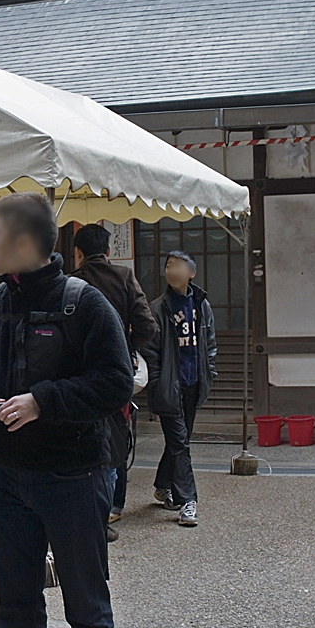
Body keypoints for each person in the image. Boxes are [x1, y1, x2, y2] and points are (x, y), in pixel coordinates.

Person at [0, 191, 134, 628]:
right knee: (16, 607)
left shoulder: (84, 303)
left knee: (87, 609)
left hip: (73, 475)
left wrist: (42, 401)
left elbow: (116, 381)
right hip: (8, 475)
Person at [69, 223, 154, 531]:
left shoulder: (71, 283)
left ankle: (86, 506)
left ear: (78, 253)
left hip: (79, 375)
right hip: (118, 374)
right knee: (118, 437)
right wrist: (125, 347)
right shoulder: (124, 277)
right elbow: (147, 327)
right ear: (107, 251)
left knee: (82, 437)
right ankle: (114, 505)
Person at [150, 251, 209, 526]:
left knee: (179, 442)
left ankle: (164, 484)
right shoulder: (158, 308)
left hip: (193, 382)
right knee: (180, 442)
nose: (172, 270)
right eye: (168, 266)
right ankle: (188, 501)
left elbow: (209, 341)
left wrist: (211, 371)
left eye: (178, 266)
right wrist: (157, 383)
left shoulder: (200, 304)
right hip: (168, 386)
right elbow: (150, 351)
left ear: (192, 273)